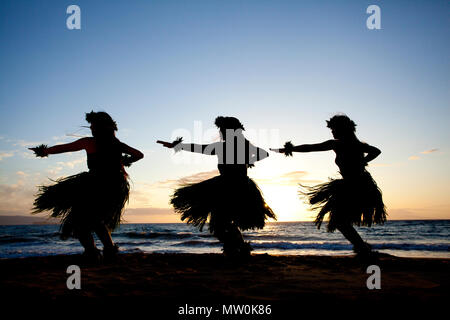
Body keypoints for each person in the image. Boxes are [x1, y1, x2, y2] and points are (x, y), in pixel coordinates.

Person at [30, 111, 143, 261]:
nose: (91, 128)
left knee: (80, 222)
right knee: (96, 221)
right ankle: (109, 250)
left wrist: (44, 151)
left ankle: (92, 252)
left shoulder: (89, 142)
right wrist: (125, 161)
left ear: (100, 127)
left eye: (93, 126)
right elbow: (139, 154)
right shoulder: (117, 144)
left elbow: (65, 148)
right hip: (114, 187)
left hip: (95, 186)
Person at [158, 116, 276, 258]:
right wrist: (178, 146)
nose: (221, 132)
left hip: (236, 188)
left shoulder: (232, 146)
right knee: (220, 224)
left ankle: (237, 248)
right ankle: (238, 248)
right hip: (229, 187)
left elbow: (263, 154)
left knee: (220, 223)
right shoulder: (230, 146)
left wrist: (244, 158)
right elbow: (201, 148)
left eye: (222, 129)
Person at [271, 114, 386, 259]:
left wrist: (289, 149)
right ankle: (362, 248)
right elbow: (376, 151)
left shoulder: (338, 144)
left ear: (342, 129)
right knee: (341, 221)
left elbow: (312, 147)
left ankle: (362, 248)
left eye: (334, 129)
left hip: (355, 186)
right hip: (360, 184)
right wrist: (363, 161)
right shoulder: (358, 145)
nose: (332, 132)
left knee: (340, 221)